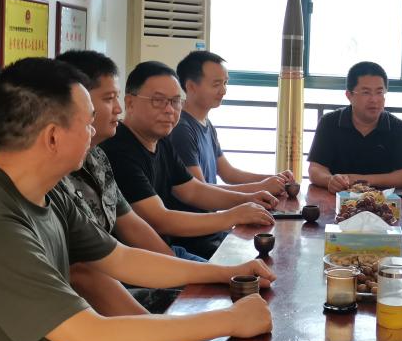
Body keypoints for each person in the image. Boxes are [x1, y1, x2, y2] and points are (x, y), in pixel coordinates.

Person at [0, 58, 275, 341]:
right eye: (87, 123)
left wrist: (226, 272)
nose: (95, 132)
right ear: (53, 137)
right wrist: (230, 320)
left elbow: (121, 258)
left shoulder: (49, 191)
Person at [57, 50, 206, 318]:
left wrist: (188, 272)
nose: (118, 109)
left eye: (175, 101)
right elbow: (86, 275)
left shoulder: (97, 156)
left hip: (124, 274)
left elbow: (132, 228)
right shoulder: (60, 175)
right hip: (90, 304)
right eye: (109, 99)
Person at [100, 61, 276, 260]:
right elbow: (160, 219)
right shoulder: (118, 150)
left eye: (175, 101)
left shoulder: (162, 140)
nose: (169, 110)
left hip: (168, 250)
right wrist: (233, 215)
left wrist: (249, 199)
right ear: (130, 103)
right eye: (158, 100)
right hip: (145, 260)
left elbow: (192, 190)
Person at [172, 50, 293, 190]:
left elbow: (228, 173)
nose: (223, 91)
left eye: (225, 83)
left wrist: (274, 179)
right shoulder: (182, 129)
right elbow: (201, 191)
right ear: (191, 86)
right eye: (216, 84)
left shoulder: (206, 124)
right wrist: (261, 187)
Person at [308, 61, 402, 192]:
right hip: (337, 199)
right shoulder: (329, 123)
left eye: (379, 92)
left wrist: (360, 180)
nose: (374, 99)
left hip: (384, 201)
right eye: (366, 92)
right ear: (349, 95)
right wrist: (330, 180)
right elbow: (315, 169)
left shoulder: (398, 128)